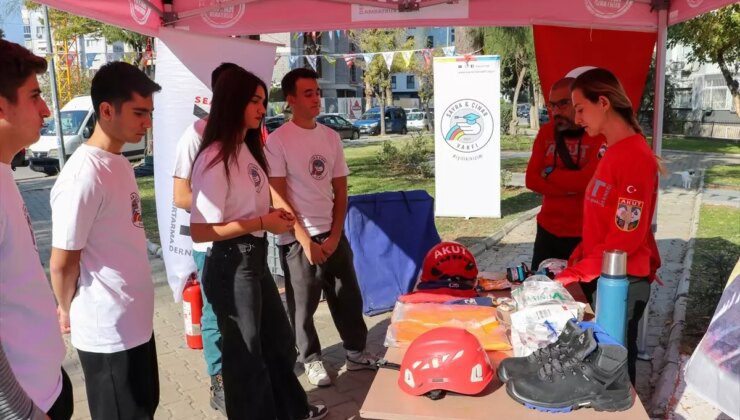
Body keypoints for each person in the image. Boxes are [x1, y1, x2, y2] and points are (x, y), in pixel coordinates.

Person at [189, 67, 327, 420]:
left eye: (264, 102)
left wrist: (270, 216)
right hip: (231, 264)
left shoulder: (247, 149)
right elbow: (202, 230)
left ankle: (292, 410)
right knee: (246, 357)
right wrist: (261, 221)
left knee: (278, 344)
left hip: (253, 260)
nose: (261, 109)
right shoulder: (214, 156)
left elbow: (249, 204)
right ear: (232, 101)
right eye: (254, 101)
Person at [50, 62, 161, 419]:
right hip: (107, 332)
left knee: (145, 409)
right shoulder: (82, 175)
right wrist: (66, 309)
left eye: (150, 113)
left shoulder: (120, 162)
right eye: (139, 113)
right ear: (107, 111)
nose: (147, 123)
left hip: (136, 322)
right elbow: (63, 261)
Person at [266, 68, 377, 387]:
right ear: (290, 100)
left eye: (317, 92)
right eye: (308, 93)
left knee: (347, 297)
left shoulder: (330, 137)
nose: (316, 98)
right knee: (303, 308)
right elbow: (279, 196)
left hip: (333, 235)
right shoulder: (277, 141)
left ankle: (356, 353)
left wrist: (335, 233)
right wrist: (306, 240)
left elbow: (341, 191)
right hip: (298, 241)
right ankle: (311, 359)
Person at [555, 67, 661, 385]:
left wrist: (576, 272)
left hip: (622, 281)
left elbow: (624, 240)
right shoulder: (611, 151)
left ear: (603, 102)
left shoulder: (635, 157)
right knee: (599, 364)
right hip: (602, 273)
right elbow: (602, 218)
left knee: (613, 372)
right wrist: (578, 257)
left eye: (580, 109)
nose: (576, 119)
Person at [0, 39, 73, 420]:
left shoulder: (5, 174)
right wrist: (21, 413)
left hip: (47, 386)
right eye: (34, 96)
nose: (46, 109)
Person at [172, 62, 242, 415]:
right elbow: (179, 196)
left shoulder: (242, 135)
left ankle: (245, 371)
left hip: (243, 242)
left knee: (244, 313)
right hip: (210, 245)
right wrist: (219, 210)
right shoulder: (195, 134)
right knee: (215, 315)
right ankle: (218, 379)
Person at [525, 77, 603, 272]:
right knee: (541, 288)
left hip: (583, 233)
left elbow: (587, 182)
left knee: (580, 296)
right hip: (548, 230)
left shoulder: (597, 135)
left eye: (563, 103)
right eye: (552, 105)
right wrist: (572, 188)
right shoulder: (546, 133)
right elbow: (531, 180)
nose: (556, 111)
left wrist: (549, 173)